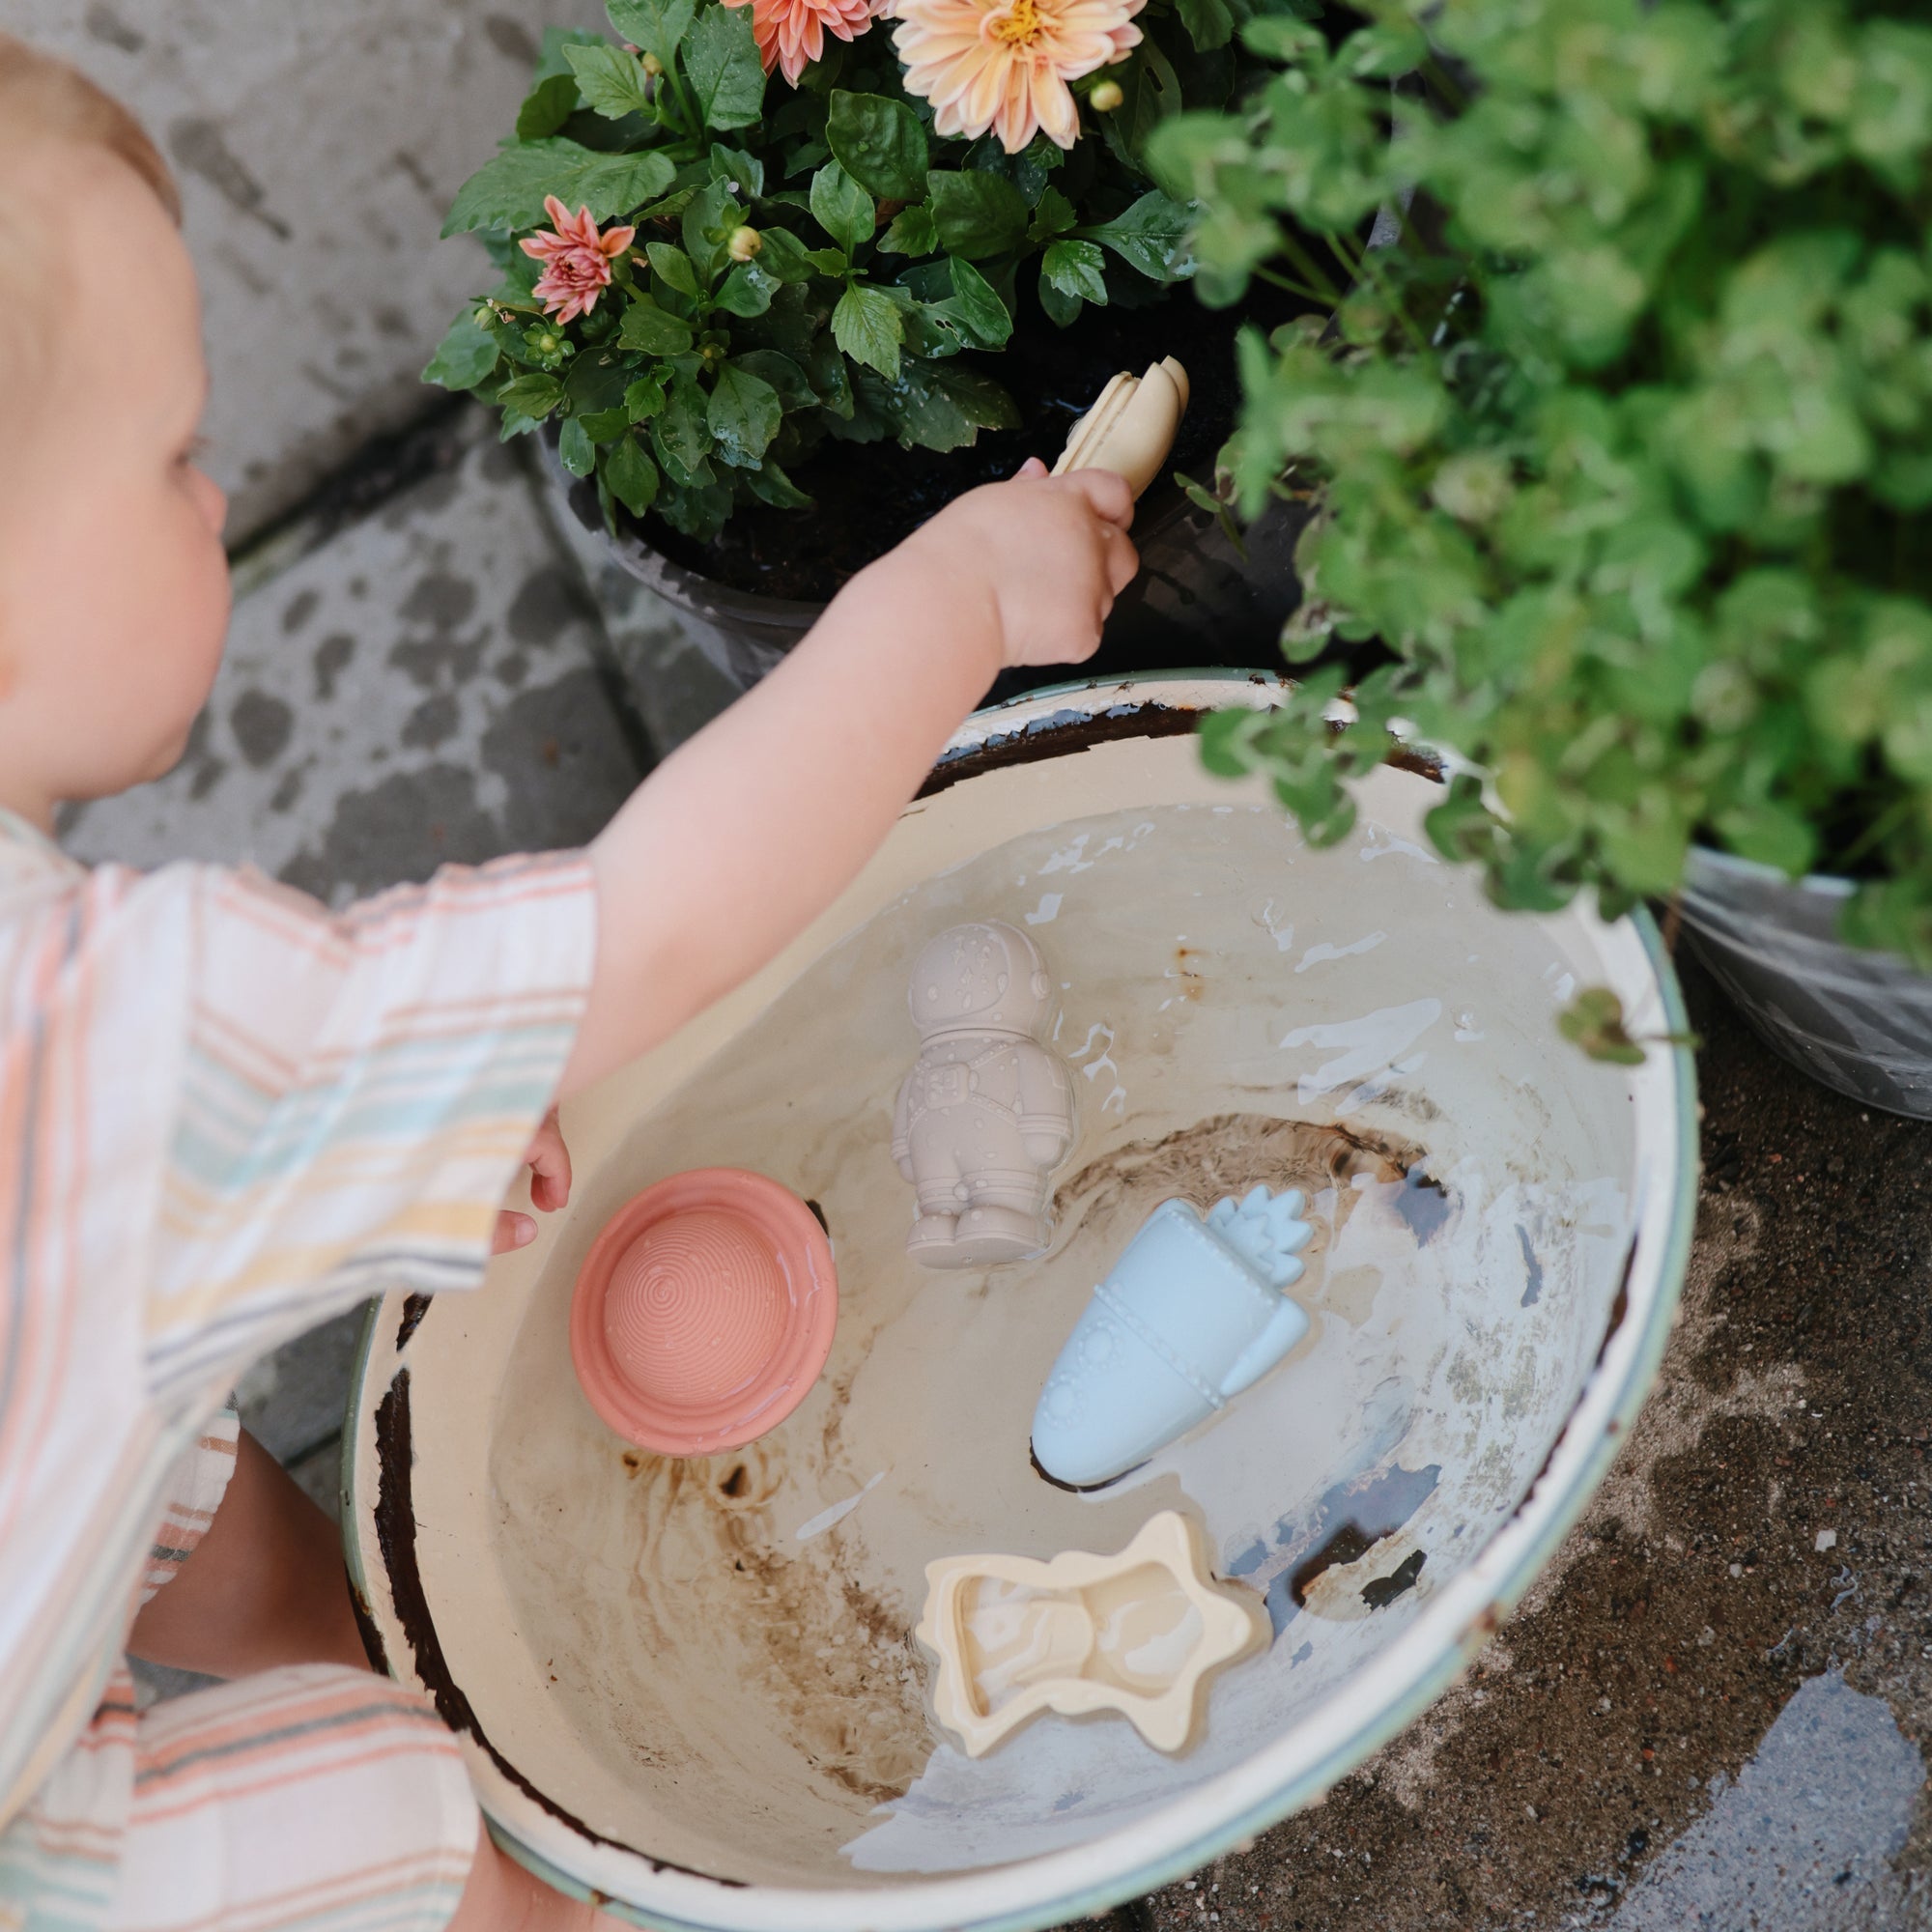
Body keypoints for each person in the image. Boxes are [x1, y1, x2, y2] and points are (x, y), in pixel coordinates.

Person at [0, 35, 1138, 1932]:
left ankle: (349, 1647)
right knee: (393, 1822)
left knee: (169, 1455)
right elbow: (653, 928)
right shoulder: (120, 1028)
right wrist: (943, 604)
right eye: (179, 456)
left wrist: (372, 1116)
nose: (212, 505)